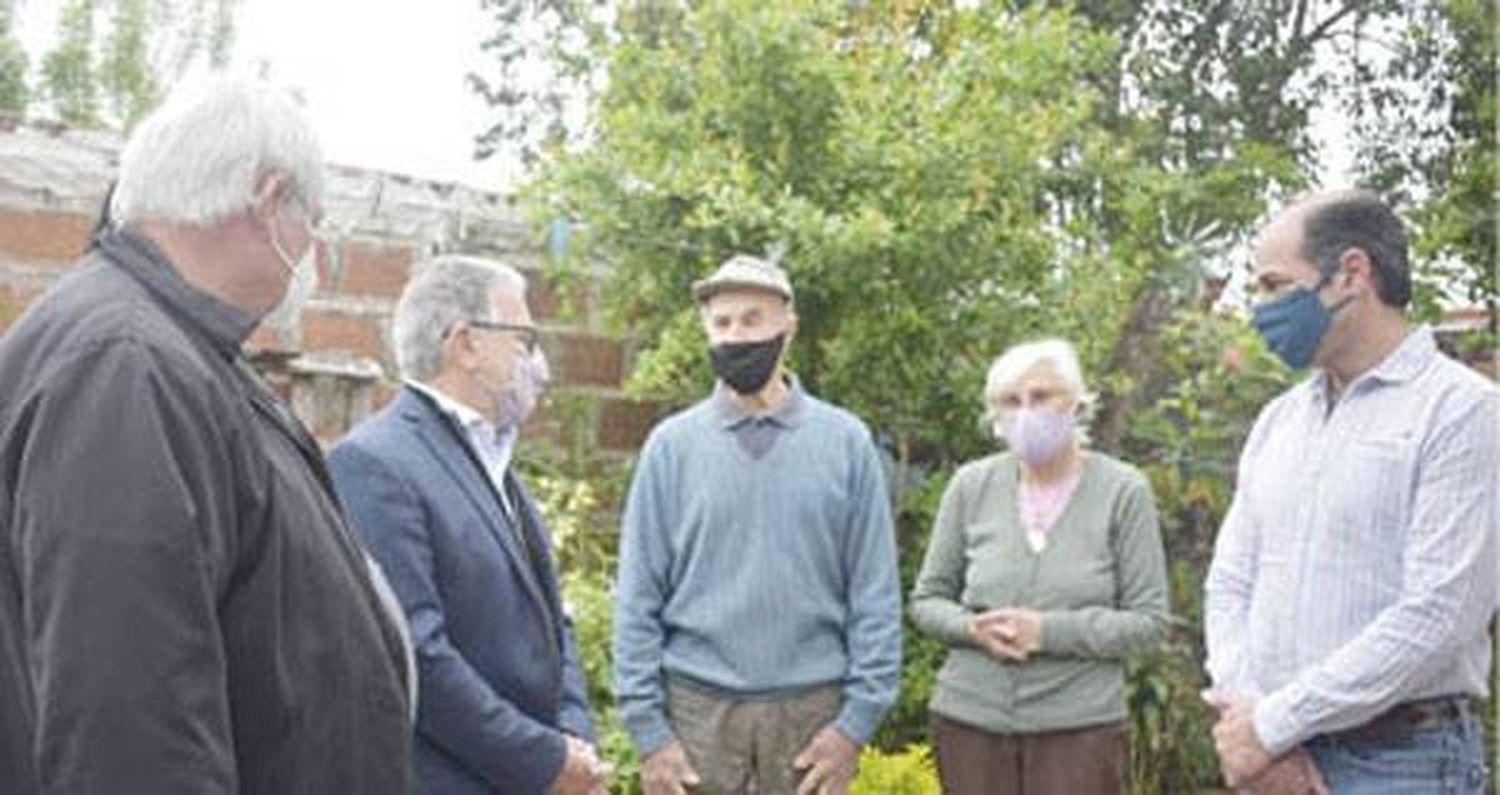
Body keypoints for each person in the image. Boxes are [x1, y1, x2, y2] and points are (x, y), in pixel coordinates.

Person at [0, 74, 413, 793]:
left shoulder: (175, 348)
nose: (313, 247)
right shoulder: (126, 366)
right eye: (312, 218)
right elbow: (128, 723)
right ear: (266, 199)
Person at [1204, 189, 1498, 793]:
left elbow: (1438, 615)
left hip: (1400, 761)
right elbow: (1231, 581)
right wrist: (1252, 727)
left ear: (1351, 275)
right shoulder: (1279, 421)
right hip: (1273, 757)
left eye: (1273, 284)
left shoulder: (1462, 413)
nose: (1259, 309)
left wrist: (1274, 725)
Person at [612, 254, 902, 795]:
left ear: (788, 329)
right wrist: (650, 734)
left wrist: (854, 726)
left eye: (752, 320)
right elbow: (636, 597)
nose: (735, 336)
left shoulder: (845, 443)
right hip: (696, 716)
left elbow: (875, 593)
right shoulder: (671, 448)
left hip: (811, 717)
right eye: (721, 324)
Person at [328, 254, 608, 795]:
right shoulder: (377, 463)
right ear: (466, 344)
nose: (539, 363)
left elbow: (555, 622)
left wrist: (574, 738)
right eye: (524, 340)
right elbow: (415, 650)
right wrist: (543, 760)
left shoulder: (495, 460)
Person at [909, 338, 1170, 793]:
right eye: (1011, 401)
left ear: (1075, 402)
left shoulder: (1123, 491)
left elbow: (1148, 622)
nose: (1026, 412)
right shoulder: (971, 486)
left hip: (1079, 731)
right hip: (970, 720)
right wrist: (972, 629)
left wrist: (1045, 632)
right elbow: (927, 600)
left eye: (1041, 396)